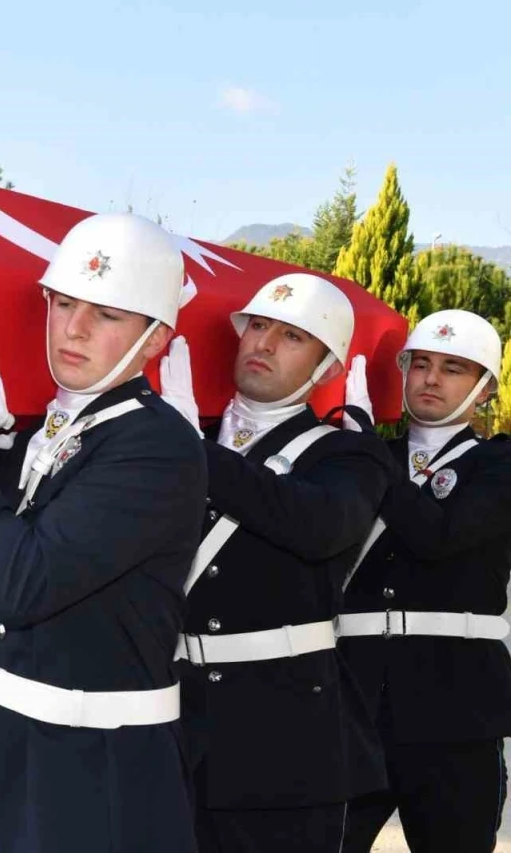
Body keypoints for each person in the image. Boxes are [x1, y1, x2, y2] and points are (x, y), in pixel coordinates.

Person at [0, 213, 206, 853]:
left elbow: (25, 582)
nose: (75, 328)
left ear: (154, 338)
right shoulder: (32, 433)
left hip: (86, 776)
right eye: (63, 303)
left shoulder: (157, 444)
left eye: (107, 314)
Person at [159, 273, 392, 853]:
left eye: (291, 336)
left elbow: (319, 525)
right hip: (171, 724)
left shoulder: (347, 453)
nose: (262, 343)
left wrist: (193, 451)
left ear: (327, 369)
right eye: (257, 326)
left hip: (284, 742)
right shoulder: (182, 432)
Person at [337, 310, 511, 853]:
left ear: (483, 390)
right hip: (354, 701)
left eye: (454, 368)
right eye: (421, 364)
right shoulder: (364, 453)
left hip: (456, 708)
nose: (432, 379)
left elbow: (440, 535)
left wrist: (365, 454)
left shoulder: (497, 462)